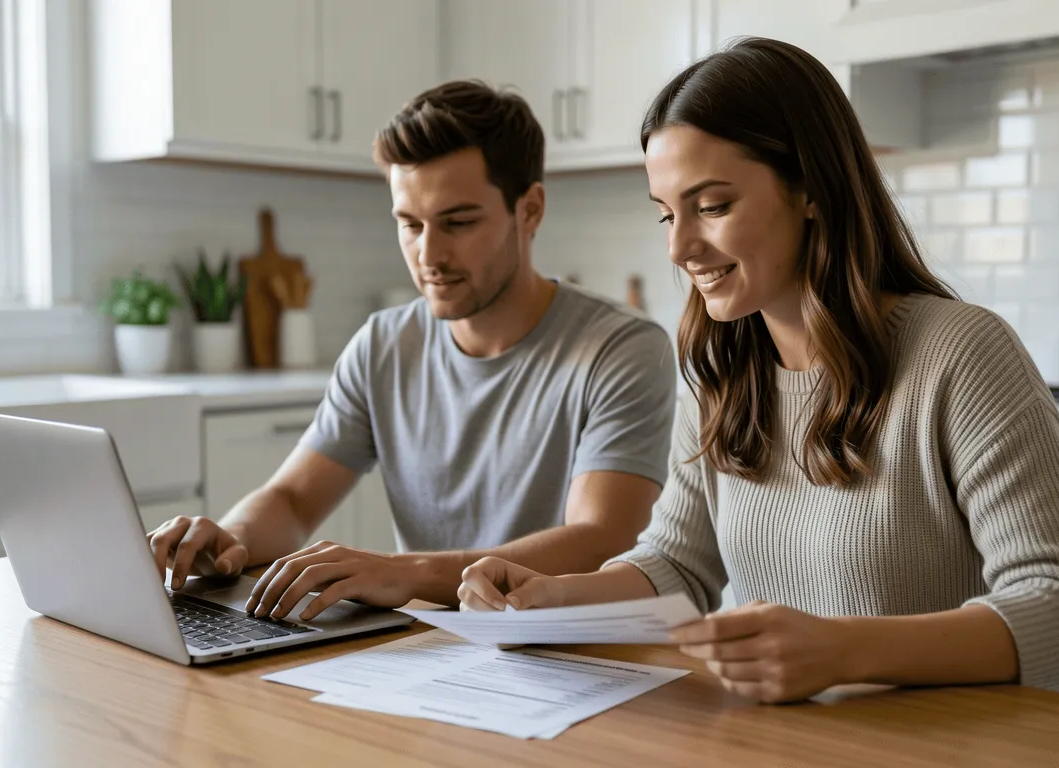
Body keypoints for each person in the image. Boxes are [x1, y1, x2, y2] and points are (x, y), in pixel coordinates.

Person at [457, 38, 1059, 703]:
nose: (679, 247)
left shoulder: (960, 354)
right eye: (666, 213)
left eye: (712, 206)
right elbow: (677, 564)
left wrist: (843, 651)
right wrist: (549, 597)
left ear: (809, 188)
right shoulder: (721, 373)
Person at [147, 81, 677, 623]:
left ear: (530, 210)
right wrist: (229, 540)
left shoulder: (622, 348)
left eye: (459, 222)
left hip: (576, 652)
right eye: (410, 224)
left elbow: (602, 540)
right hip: (428, 651)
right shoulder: (383, 345)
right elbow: (292, 500)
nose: (429, 254)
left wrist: (407, 572)